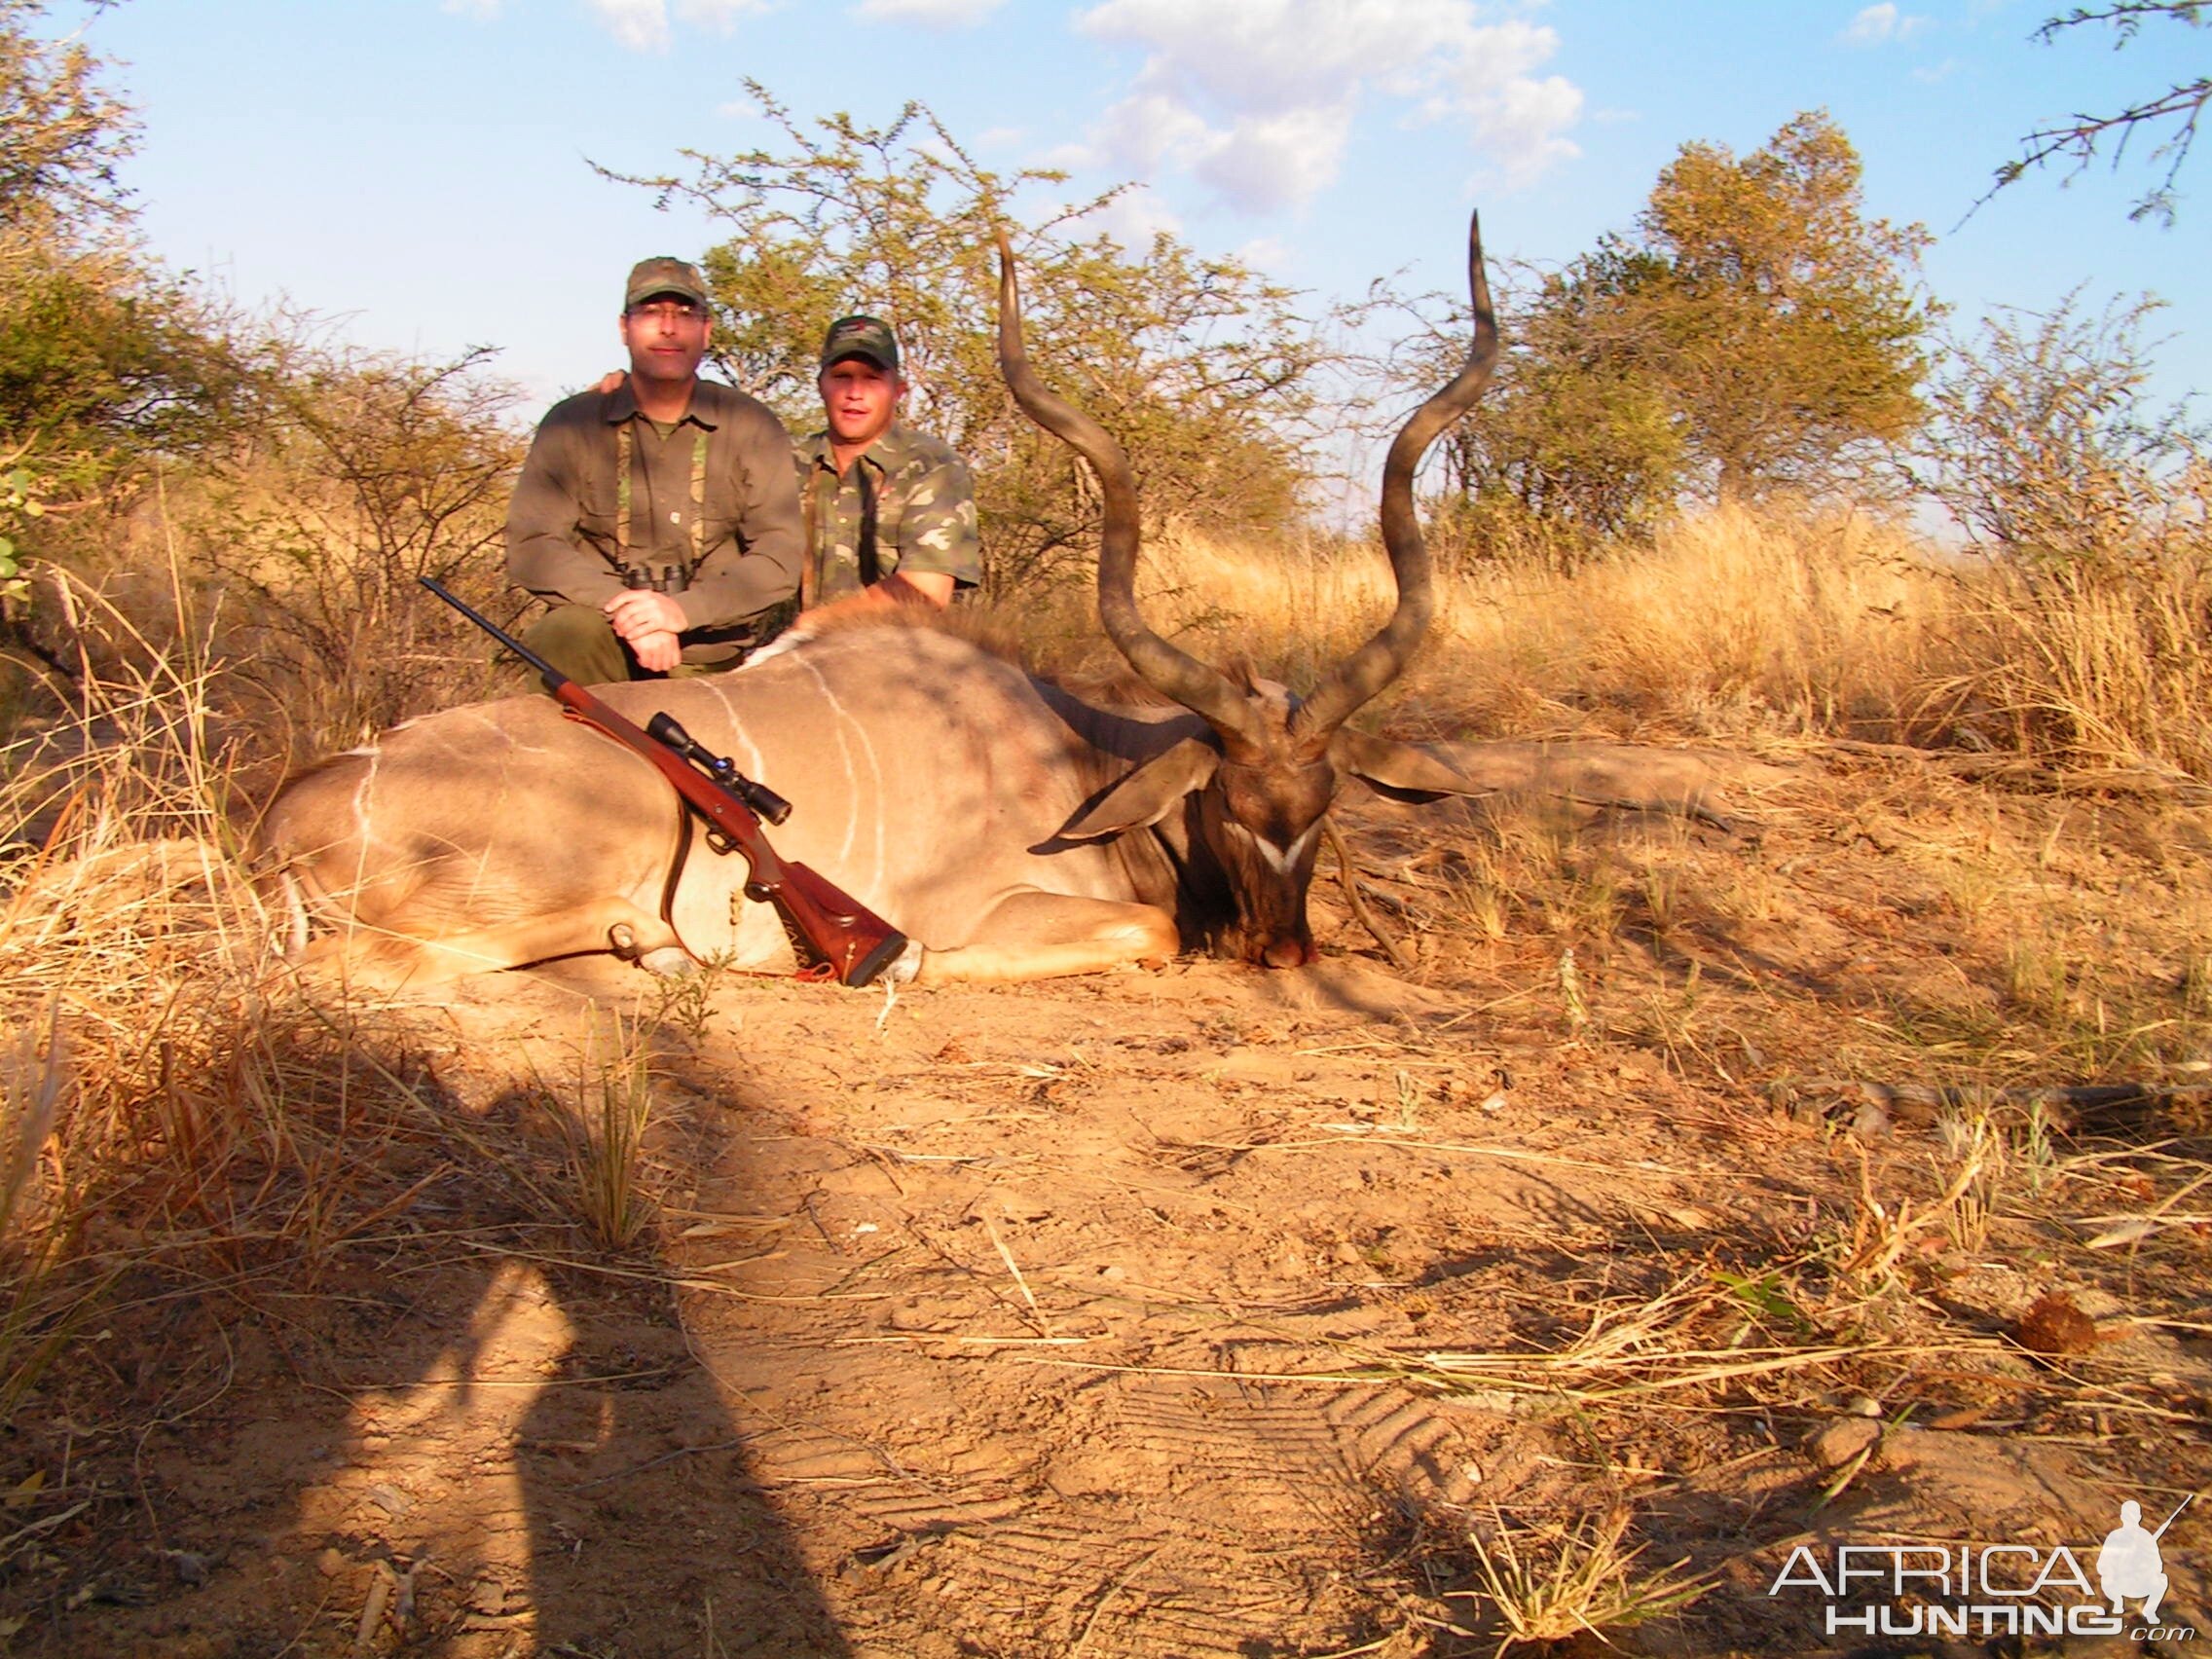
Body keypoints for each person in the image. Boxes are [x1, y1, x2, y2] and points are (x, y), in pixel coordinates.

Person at [505, 257, 804, 684]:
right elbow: (534, 545)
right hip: (600, 642)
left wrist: (682, 611)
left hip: (709, 659)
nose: (668, 328)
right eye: (651, 313)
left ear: (706, 331)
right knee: (565, 633)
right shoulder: (573, 422)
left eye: (685, 315)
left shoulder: (751, 424)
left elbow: (779, 554)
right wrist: (628, 609)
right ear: (624, 327)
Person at [791, 314, 980, 617]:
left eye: (872, 378)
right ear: (820, 385)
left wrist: (817, 625)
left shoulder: (934, 466)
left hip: (900, 654)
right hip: (794, 652)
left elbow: (927, 590)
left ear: (899, 390)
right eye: (841, 377)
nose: (854, 393)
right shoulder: (788, 462)